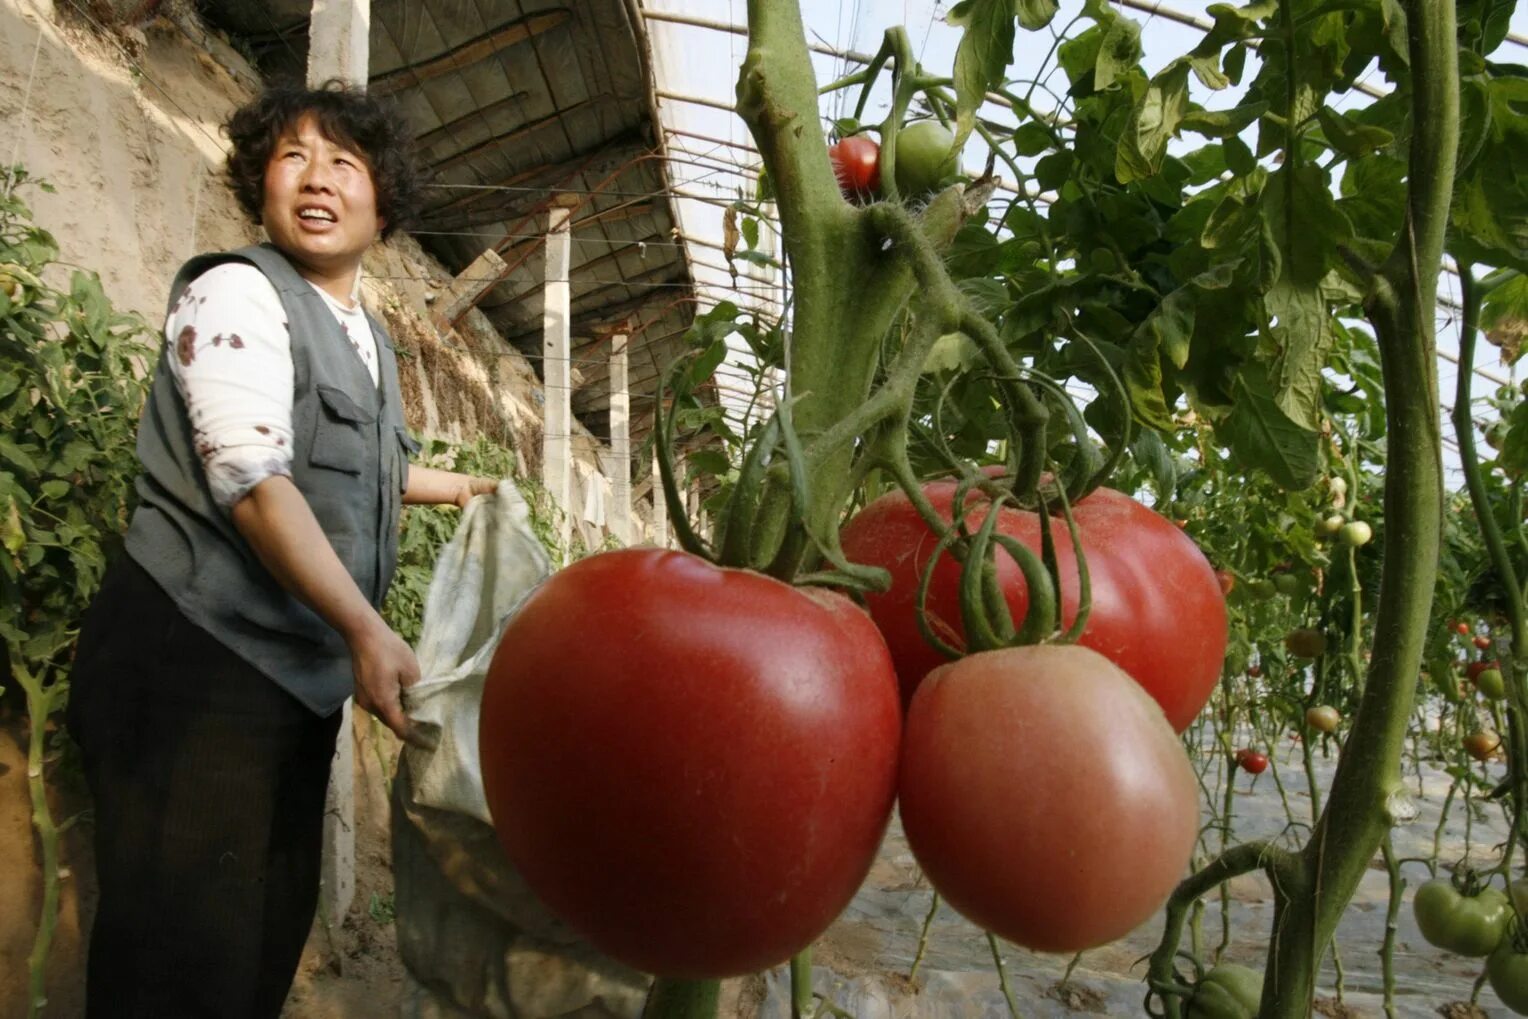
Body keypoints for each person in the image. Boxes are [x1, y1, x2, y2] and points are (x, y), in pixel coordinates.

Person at [65, 80, 495, 1017]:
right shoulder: (237, 294)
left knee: (260, 936)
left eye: (346, 163)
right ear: (259, 181)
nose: (317, 179)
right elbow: (256, 484)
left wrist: (458, 487)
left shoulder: (368, 336)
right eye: (293, 155)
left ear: (384, 204)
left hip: (288, 683)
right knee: (177, 958)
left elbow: (362, 466)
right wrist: (366, 630)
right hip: (193, 666)